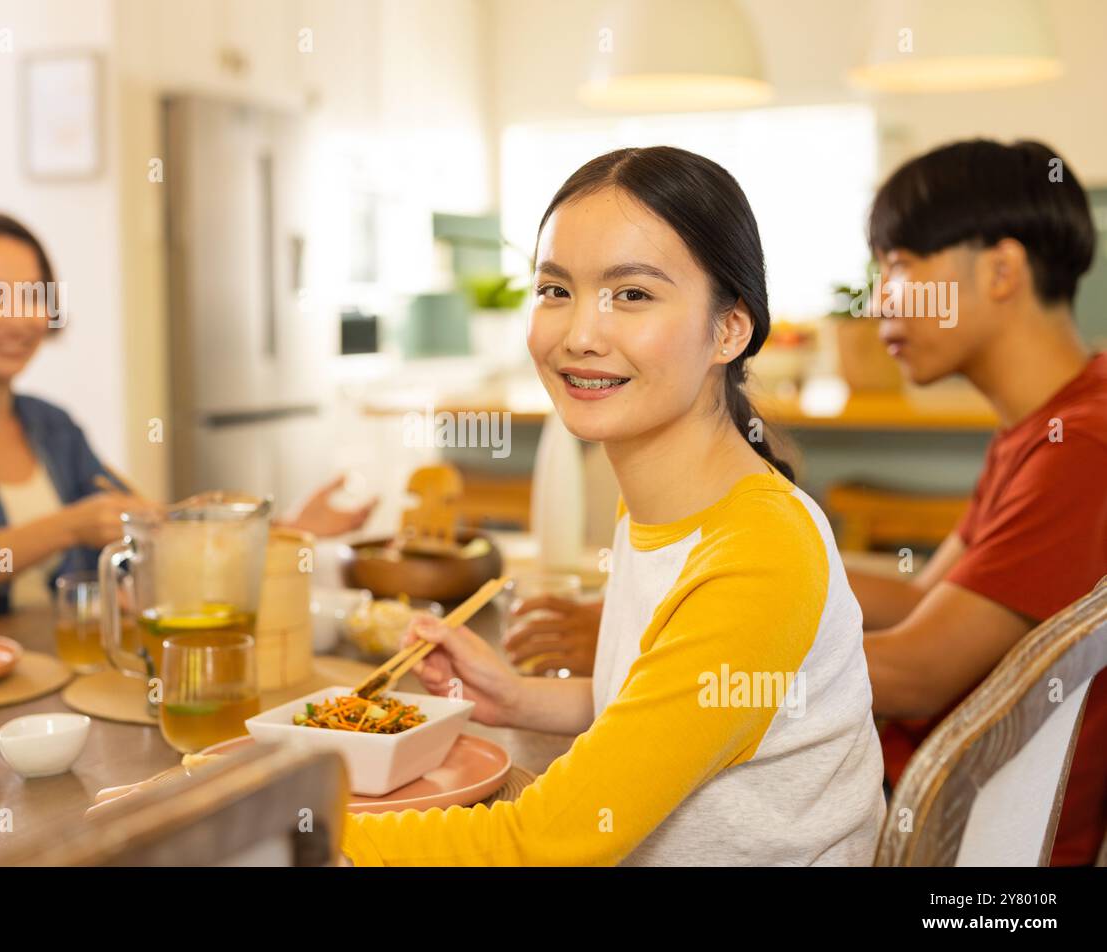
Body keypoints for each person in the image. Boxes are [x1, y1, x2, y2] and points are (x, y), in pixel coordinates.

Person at [341, 147, 885, 866]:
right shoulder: (670, 502)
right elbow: (663, 711)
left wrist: (268, 823)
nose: (580, 335)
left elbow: (537, 844)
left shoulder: (759, 555)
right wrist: (517, 699)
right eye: (555, 290)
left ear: (730, 328)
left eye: (631, 294)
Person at [0, 213, 373, 620]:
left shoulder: (51, 426)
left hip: (49, 667)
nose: (15, 318)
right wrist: (69, 524)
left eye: (31, 297)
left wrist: (286, 530)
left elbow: (147, 525)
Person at [850, 140, 1107, 866]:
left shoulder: (1080, 446)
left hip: (978, 850)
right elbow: (918, 599)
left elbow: (913, 671)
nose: (879, 301)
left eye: (899, 266)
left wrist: (686, 658)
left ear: (1001, 270)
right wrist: (753, 567)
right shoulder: (1049, 421)